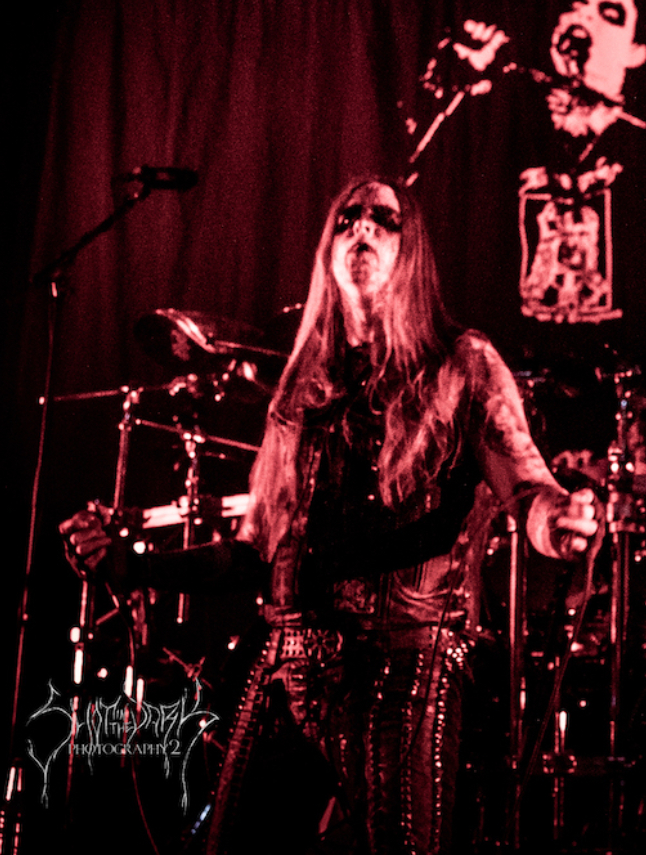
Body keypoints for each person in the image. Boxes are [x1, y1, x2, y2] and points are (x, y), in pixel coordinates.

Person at [60, 176, 598, 854]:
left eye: (383, 219)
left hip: (402, 667)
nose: (362, 227)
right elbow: (256, 548)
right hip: (288, 669)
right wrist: (133, 565)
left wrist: (561, 522)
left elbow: (527, 487)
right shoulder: (302, 384)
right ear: (326, 250)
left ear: (412, 250)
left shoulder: (462, 362)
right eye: (348, 218)